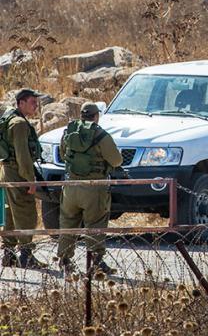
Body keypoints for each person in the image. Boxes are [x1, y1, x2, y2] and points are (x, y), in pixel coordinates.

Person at [57, 102, 123, 275]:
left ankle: (64, 260)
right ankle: (96, 262)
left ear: (81, 115)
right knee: (95, 224)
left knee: (68, 223)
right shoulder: (101, 135)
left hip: (71, 187)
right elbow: (116, 161)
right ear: (96, 116)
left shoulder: (68, 132)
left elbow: (63, 154)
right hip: (94, 188)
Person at [0, 88, 48, 269]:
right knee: (26, 213)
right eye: (32, 102)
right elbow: (22, 155)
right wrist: (30, 180)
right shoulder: (19, 123)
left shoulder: (11, 119)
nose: (36, 105)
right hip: (18, 174)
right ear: (21, 103)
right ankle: (26, 255)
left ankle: (9, 255)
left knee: (10, 215)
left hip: (7, 172)